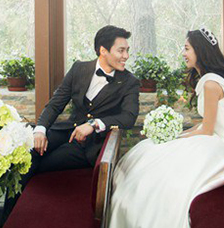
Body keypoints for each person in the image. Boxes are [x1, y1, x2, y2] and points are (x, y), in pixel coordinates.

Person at [108, 28, 224, 228]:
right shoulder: (209, 79)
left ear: (200, 51)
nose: (183, 53)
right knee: (151, 150)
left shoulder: (211, 84)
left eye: (187, 48)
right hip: (215, 135)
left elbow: (207, 130)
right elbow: (206, 124)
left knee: (167, 164)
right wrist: (178, 135)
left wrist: (178, 139)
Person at [31, 25, 141, 173]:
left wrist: (94, 124)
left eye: (127, 50)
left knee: (43, 163)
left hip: (89, 147)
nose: (126, 56)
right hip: (66, 130)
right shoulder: (78, 69)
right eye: (121, 50)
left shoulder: (130, 82)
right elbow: (55, 104)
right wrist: (40, 129)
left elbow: (128, 117)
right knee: (29, 149)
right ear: (103, 51)